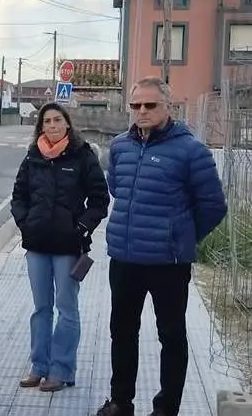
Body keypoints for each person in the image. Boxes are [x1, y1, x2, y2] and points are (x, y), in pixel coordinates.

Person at [95, 76, 227, 416]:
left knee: (171, 336)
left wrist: (180, 237)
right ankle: (120, 402)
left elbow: (213, 206)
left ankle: (166, 408)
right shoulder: (121, 146)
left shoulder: (191, 151)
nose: (142, 111)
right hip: (125, 259)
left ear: (168, 107)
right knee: (122, 332)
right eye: (136, 105)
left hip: (168, 263)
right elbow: (117, 189)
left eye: (150, 105)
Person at [10, 102, 109, 393]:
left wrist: (81, 228)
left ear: (67, 124)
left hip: (68, 247)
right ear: (40, 126)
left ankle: (61, 369)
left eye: (57, 120)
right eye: (47, 121)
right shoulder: (32, 157)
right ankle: (39, 366)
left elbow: (99, 200)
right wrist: (25, 223)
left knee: (67, 308)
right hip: (37, 245)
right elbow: (19, 196)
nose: (52, 125)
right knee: (41, 308)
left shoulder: (82, 156)